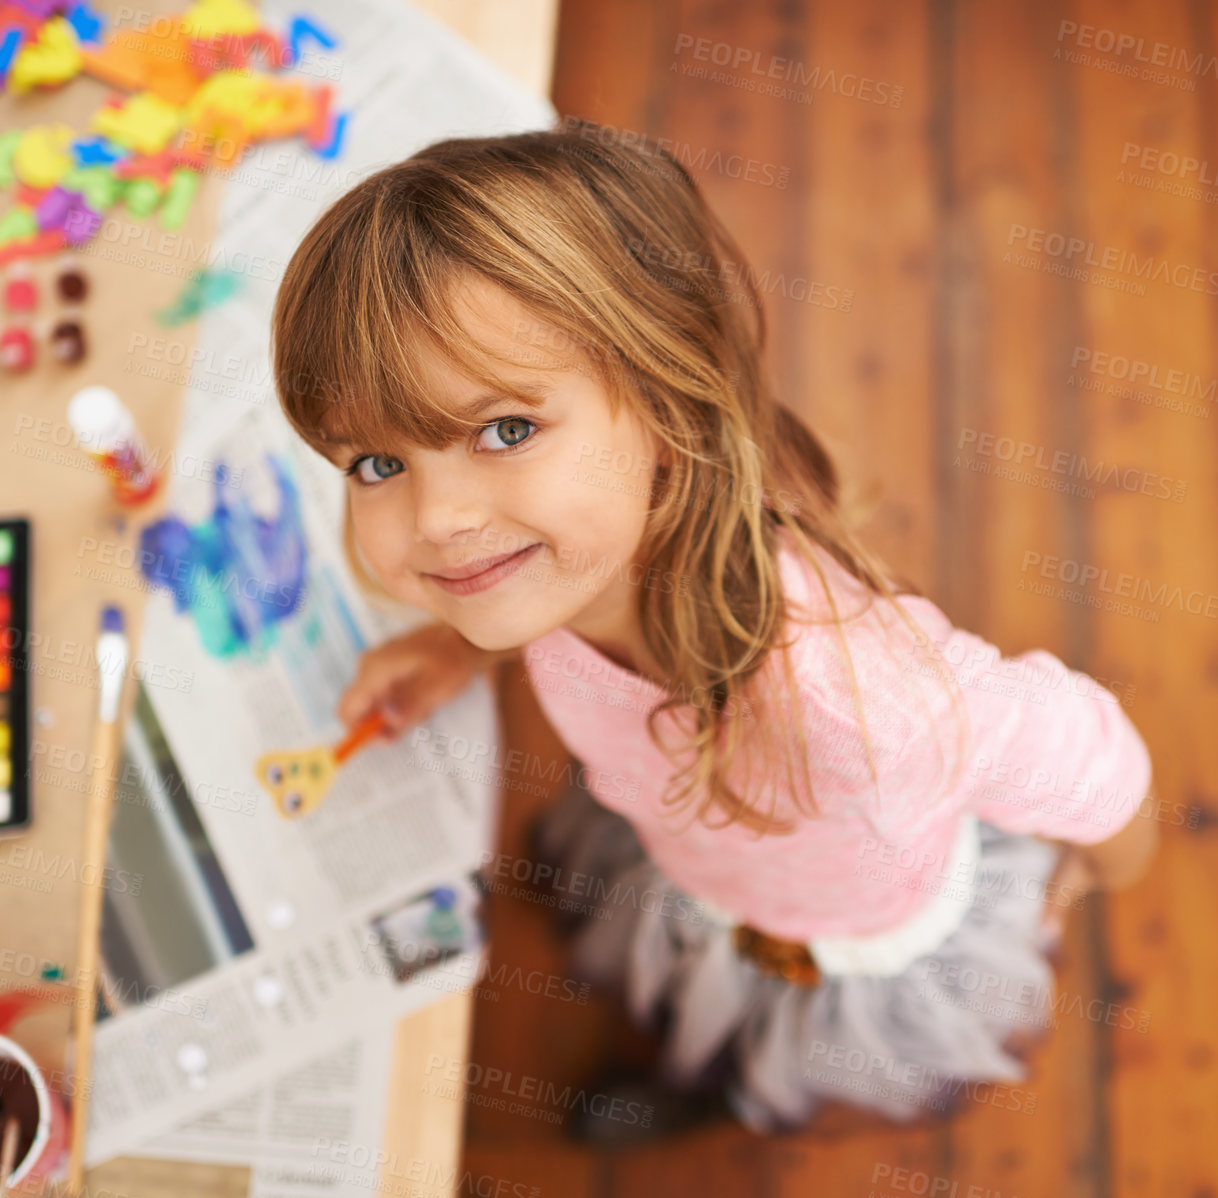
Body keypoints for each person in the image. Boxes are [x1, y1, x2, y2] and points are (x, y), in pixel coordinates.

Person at [268, 125, 1159, 1135]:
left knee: (760, 1036)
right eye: (375, 464)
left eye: (506, 430)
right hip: (683, 838)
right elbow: (515, 575)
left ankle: (714, 1088)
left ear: (666, 402)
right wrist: (453, 644)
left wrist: (1102, 864)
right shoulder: (563, 561)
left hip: (828, 933)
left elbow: (1097, 755)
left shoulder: (867, 709)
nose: (434, 521)